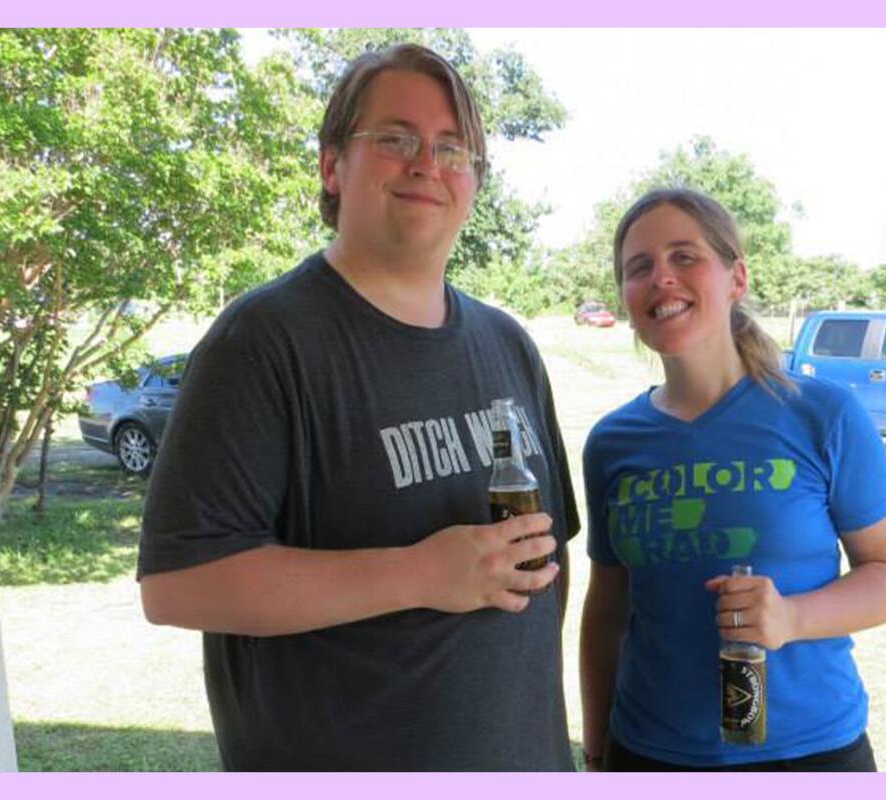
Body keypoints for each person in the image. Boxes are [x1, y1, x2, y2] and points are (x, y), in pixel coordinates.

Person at [137, 43, 579, 771]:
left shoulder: (509, 346)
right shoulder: (264, 341)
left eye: (451, 147)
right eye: (395, 138)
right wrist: (418, 574)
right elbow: (177, 585)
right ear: (331, 166)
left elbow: (545, 574)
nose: (426, 164)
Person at [579, 188, 886, 771]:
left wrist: (792, 618)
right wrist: (595, 749)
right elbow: (607, 613)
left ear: (735, 277)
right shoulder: (613, 443)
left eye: (684, 256)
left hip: (808, 753)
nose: (662, 277)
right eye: (640, 267)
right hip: (649, 754)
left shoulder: (822, 414)